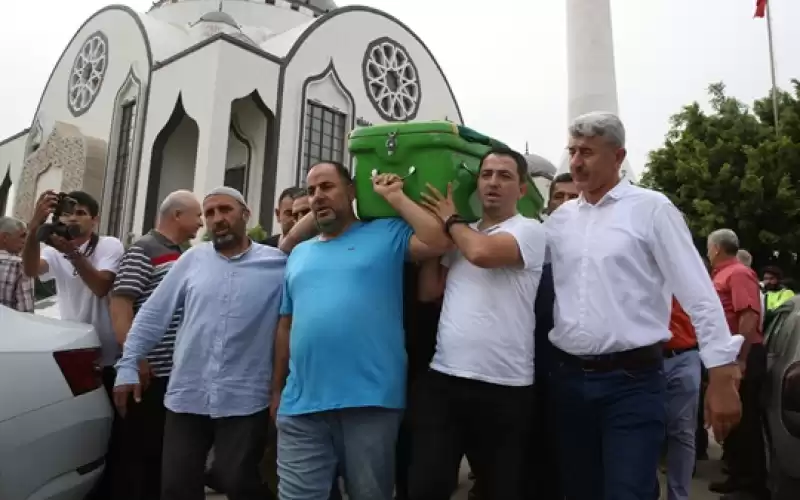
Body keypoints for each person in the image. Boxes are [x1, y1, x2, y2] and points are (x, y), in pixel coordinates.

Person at [545, 112, 743, 500]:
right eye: (572, 151)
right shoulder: (560, 221)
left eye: (587, 151)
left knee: (628, 491)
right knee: (579, 490)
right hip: (568, 382)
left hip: (632, 383)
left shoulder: (652, 209)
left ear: (618, 157)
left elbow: (698, 294)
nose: (576, 162)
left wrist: (721, 375)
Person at [272, 161, 450, 500]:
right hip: (300, 403)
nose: (318, 196)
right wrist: (275, 389)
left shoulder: (386, 233)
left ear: (353, 190)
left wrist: (394, 197)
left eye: (327, 187)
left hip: (370, 399)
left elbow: (438, 240)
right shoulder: (300, 254)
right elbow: (285, 326)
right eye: (311, 191)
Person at [113, 187, 285, 500]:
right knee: (176, 488)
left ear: (245, 214)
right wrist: (128, 363)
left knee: (236, 481)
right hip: (188, 395)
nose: (218, 219)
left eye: (226, 210)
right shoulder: (192, 259)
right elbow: (154, 314)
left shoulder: (276, 265)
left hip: (245, 397)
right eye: (210, 213)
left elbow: (291, 323)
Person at [411, 147, 545, 500]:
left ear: (522, 190)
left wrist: (451, 222)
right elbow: (428, 292)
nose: (493, 183)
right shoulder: (461, 233)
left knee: (498, 488)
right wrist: (436, 244)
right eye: (486, 175)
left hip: (506, 385)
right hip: (446, 378)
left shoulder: (529, 230)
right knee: (427, 484)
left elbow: (482, 254)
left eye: (505, 176)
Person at [21, 189, 125, 499]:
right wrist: (34, 227)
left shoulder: (109, 245)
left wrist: (73, 254)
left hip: (110, 358)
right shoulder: (55, 248)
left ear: (95, 220)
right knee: (83, 435)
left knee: (115, 437)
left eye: (81, 213)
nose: (73, 218)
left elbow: (100, 286)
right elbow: (29, 270)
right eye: (68, 213)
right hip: (77, 357)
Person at [108, 190, 203, 500]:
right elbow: (121, 304)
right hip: (150, 376)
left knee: (168, 459)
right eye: (198, 215)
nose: (202, 223)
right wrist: (136, 358)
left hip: (175, 376)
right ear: (177, 215)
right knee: (143, 459)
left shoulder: (183, 253)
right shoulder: (143, 250)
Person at [707, 229, 768, 500]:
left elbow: (748, 316)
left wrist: (740, 359)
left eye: (709, 249)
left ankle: (751, 485)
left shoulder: (739, 273)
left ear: (717, 248)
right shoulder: (720, 275)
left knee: (745, 420)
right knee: (731, 421)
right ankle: (736, 474)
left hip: (741, 355)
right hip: (723, 356)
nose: (708, 254)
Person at [659, 299, 701, 500]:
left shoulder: (687, 272)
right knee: (643, 429)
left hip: (684, 356)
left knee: (682, 432)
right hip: (643, 358)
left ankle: (679, 497)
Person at [0, 216, 33, 312]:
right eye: (22, 236)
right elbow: (26, 313)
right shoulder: (20, 266)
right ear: (5, 237)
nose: (25, 241)